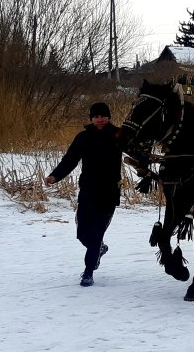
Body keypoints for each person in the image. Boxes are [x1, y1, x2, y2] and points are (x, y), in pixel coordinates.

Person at [45, 102, 122, 287]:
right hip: (87, 191)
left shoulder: (118, 135)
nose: (100, 119)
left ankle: (88, 272)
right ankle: (99, 249)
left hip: (109, 194)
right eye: (96, 116)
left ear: (109, 117)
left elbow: (137, 153)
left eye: (103, 116)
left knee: (96, 234)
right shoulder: (84, 137)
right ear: (91, 118)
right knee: (82, 234)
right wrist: (55, 175)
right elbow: (70, 159)